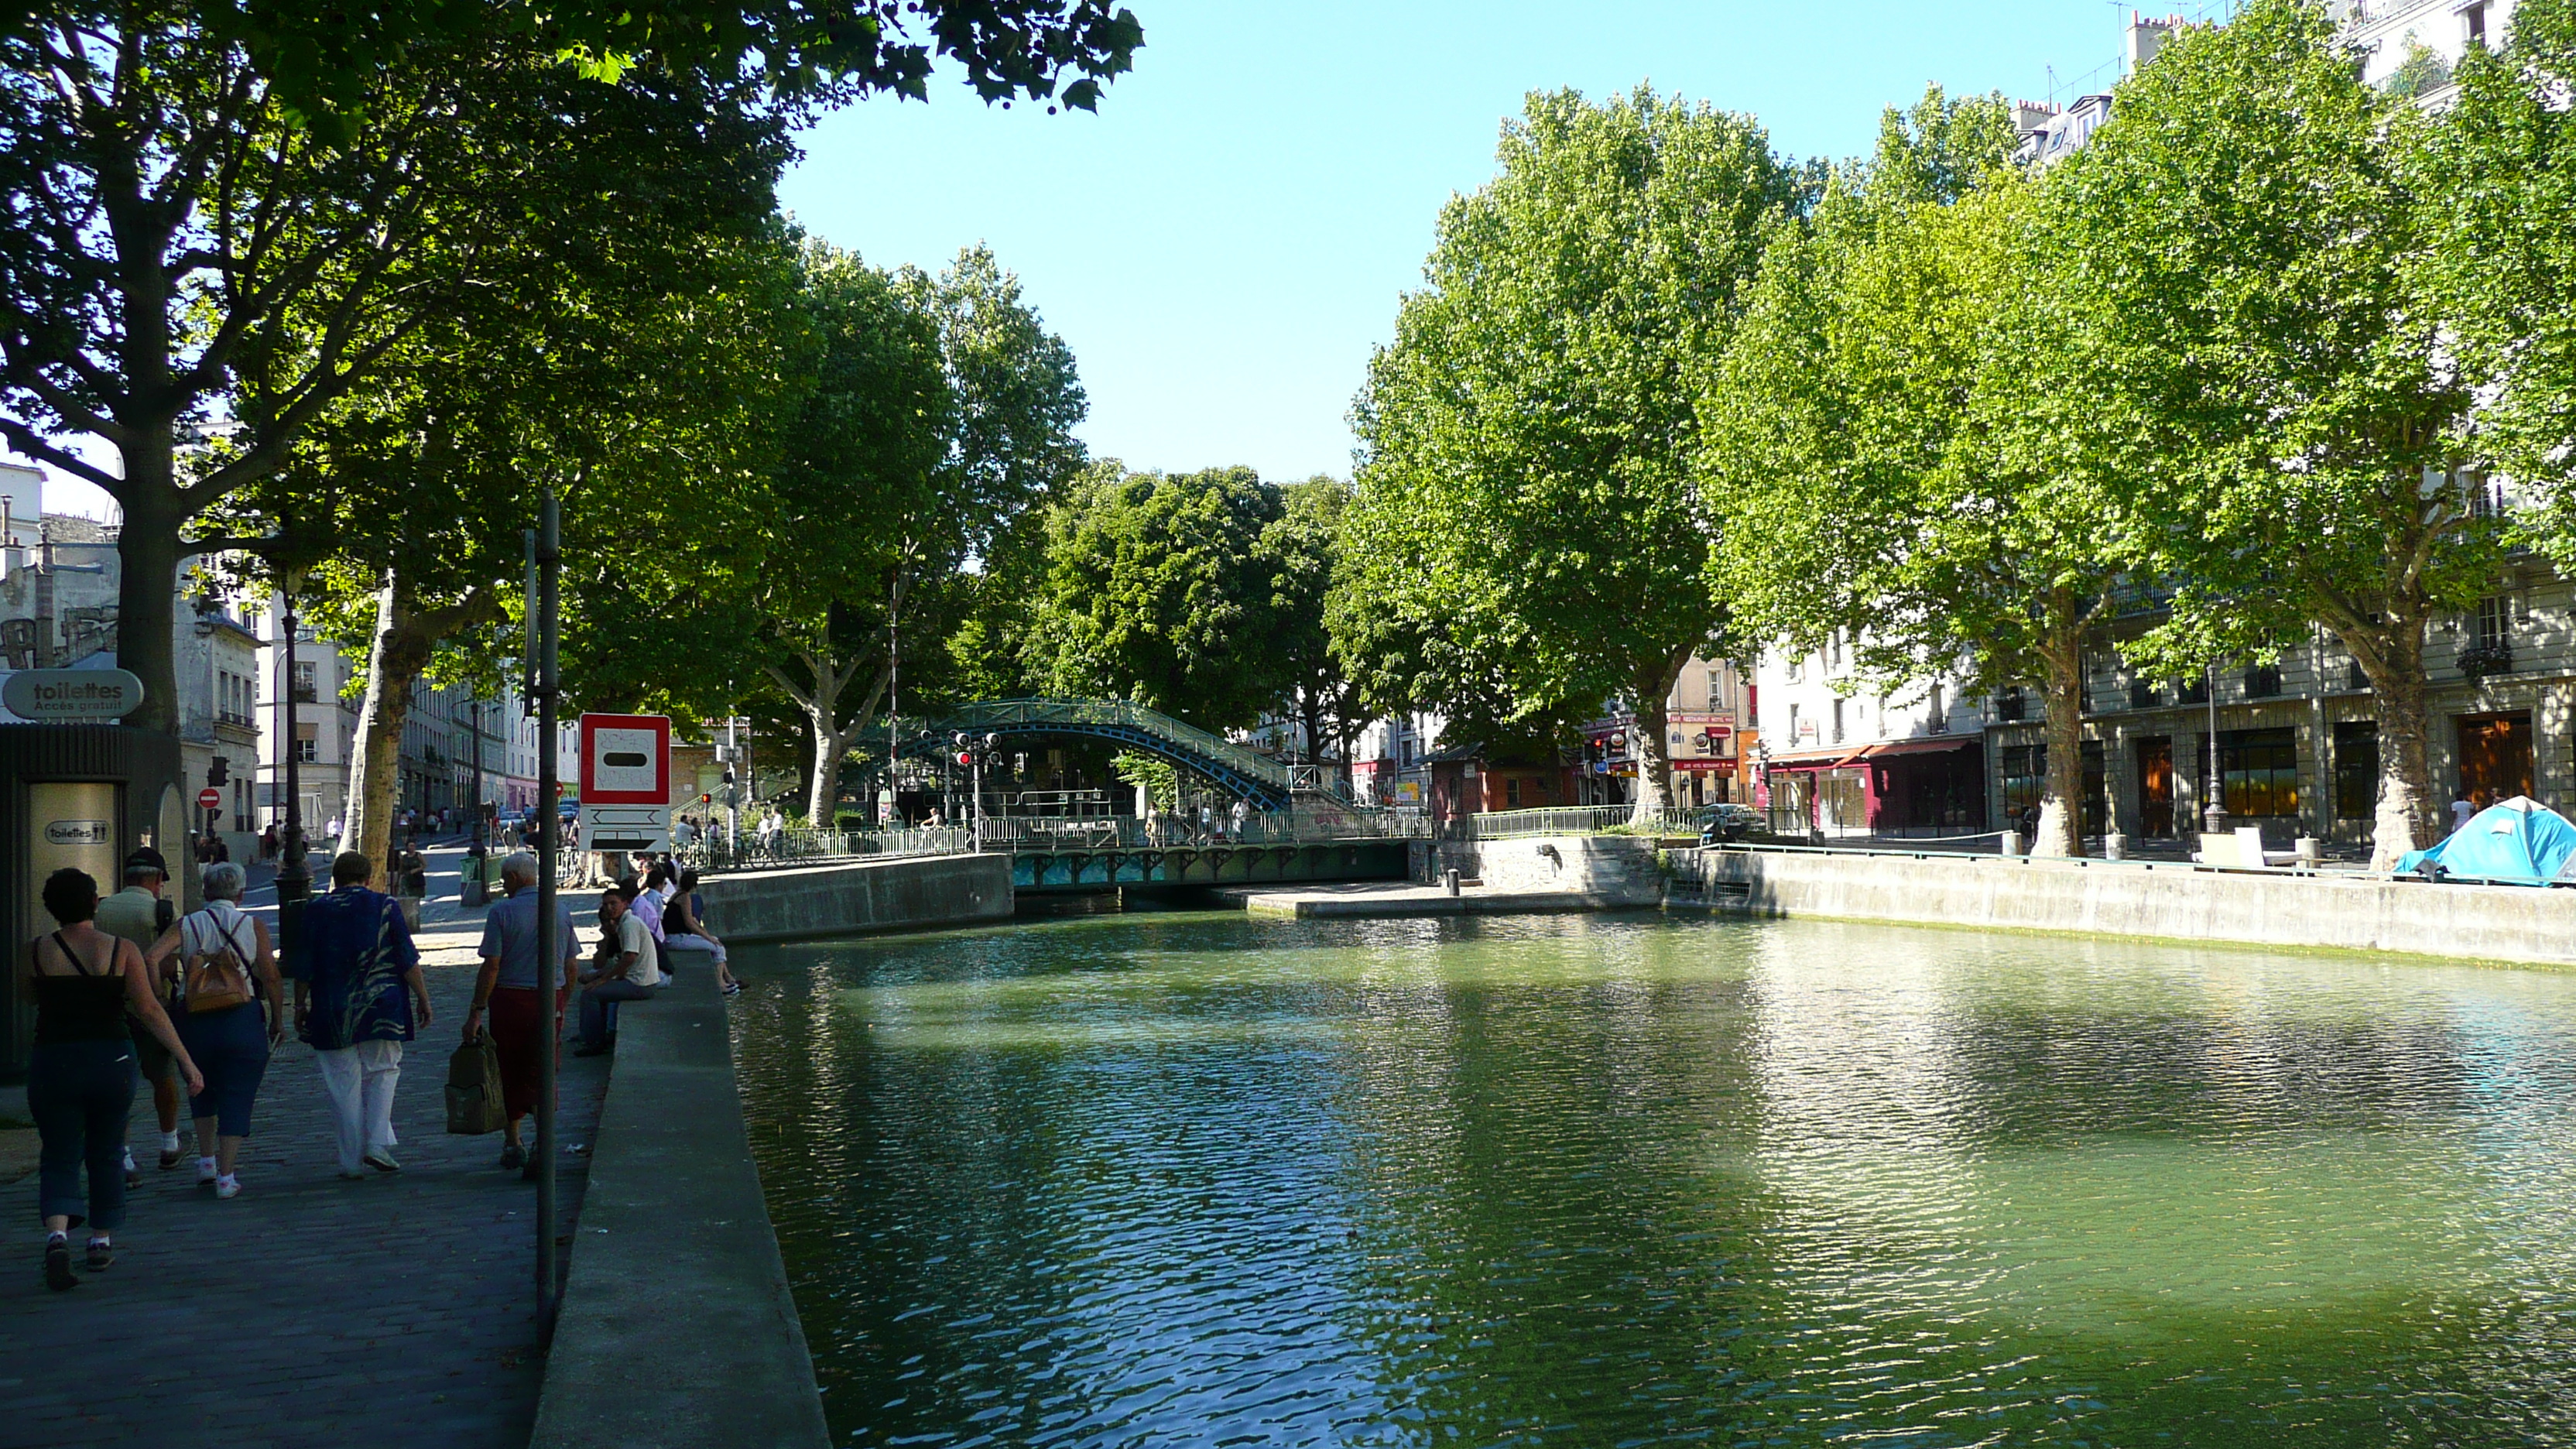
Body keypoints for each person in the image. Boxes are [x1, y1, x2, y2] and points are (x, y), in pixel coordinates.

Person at [23, 868, 201, 1290]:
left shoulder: (32, 953)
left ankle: (57, 1234)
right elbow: (150, 1010)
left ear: (51, 908)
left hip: (53, 1059)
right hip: (110, 1057)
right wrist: (186, 1062)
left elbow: (30, 999)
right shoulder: (120, 950)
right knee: (106, 1151)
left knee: (59, 1152)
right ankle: (100, 1240)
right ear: (94, 905)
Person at [296, 851, 430, 1178]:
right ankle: (377, 1144)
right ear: (369, 878)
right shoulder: (385, 906)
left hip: (332, 1007)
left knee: (342, 1084)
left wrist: (300, 1005)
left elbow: (303, 966)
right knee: (384, 1070)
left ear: (335, 879)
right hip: (382, 1003)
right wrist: (423, 998)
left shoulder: (315, 910)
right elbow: (406, 959)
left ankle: (351, 1161)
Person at [159, 862, 282, 1199]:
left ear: (205, 892)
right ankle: (227, 1177)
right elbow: (270, 974)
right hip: (240, 1015)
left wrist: (165, 982)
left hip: (194, 1017)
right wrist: (277, 1019)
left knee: (201, 1087)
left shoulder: (185, 925)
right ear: (241, 894)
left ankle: (206, 1162)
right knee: (238, 1092)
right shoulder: (251, 925)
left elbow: (150, 957)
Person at [461, 853, 578, 1177]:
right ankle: (544, 1140)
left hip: (511, 999)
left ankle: (513, 1141)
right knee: (543, 1068)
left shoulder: (502, 912)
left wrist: (476, 1011)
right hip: (549, 998)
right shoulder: (561, 910)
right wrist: (563, 1001)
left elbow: (492, 965)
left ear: (514, 878)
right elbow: (571, 966)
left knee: (508, 1069)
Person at [94, 848, 180, 1183]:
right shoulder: (161, 911)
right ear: (157, 879)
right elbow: (171, 961)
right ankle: (169, 1144)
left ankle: (125, 1156)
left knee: (119, 1084)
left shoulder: (101, 908)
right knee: (163, 1076)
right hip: (151, 1005)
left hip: (110, 1007)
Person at [574, 886, 659, 1057]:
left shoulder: (629, 925)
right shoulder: (625, 924)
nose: (609, 908)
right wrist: (599, 976)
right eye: (606, 905)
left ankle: (592, 1042)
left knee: (590, 994)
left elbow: (629, 957)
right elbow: (618, 961)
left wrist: (603, 979)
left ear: (625, 904)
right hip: (637, 981)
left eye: (613, 904)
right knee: (598, 994)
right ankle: (597, 1035)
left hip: (640, 984)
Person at [660, 868, 737, 996]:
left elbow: (692, 919)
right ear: (694, 884)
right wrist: (708, 937)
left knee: (715, 941)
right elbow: (689, 923)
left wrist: (707, 934)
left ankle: (727, 978)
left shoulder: (677, 895)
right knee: (718, 948)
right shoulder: (685, 897)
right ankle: (721, 984)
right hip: (676, 939)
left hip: (672, 937)